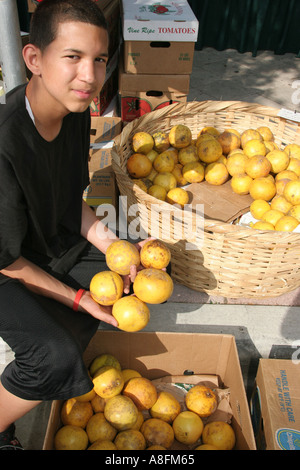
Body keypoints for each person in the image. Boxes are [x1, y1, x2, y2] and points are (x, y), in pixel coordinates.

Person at [0, 0, 146, 450]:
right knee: (54, 354)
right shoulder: (5, 143)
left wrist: (113, 246)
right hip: (5, 263)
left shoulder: (74, 111)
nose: (90, 75)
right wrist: (79, 297)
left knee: (124, 281)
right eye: (73, 57)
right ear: (34, 59)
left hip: (39, 243)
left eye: (100, 59)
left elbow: (68, 203)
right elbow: (7, 261)